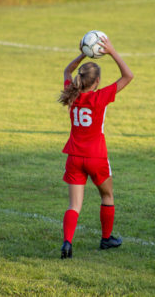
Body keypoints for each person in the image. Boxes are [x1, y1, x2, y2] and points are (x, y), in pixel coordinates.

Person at [58, 36, 134, 259]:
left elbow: (66, 71)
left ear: (80, 79)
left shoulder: (72, 94)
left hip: (73, 156)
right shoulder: (100, 97)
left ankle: (67, 242)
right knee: (107, 196)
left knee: (74, 205)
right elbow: (128, 76)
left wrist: (83, 53)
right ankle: (106, 239)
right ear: (97, 81)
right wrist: (111, 51)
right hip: (96, 157)